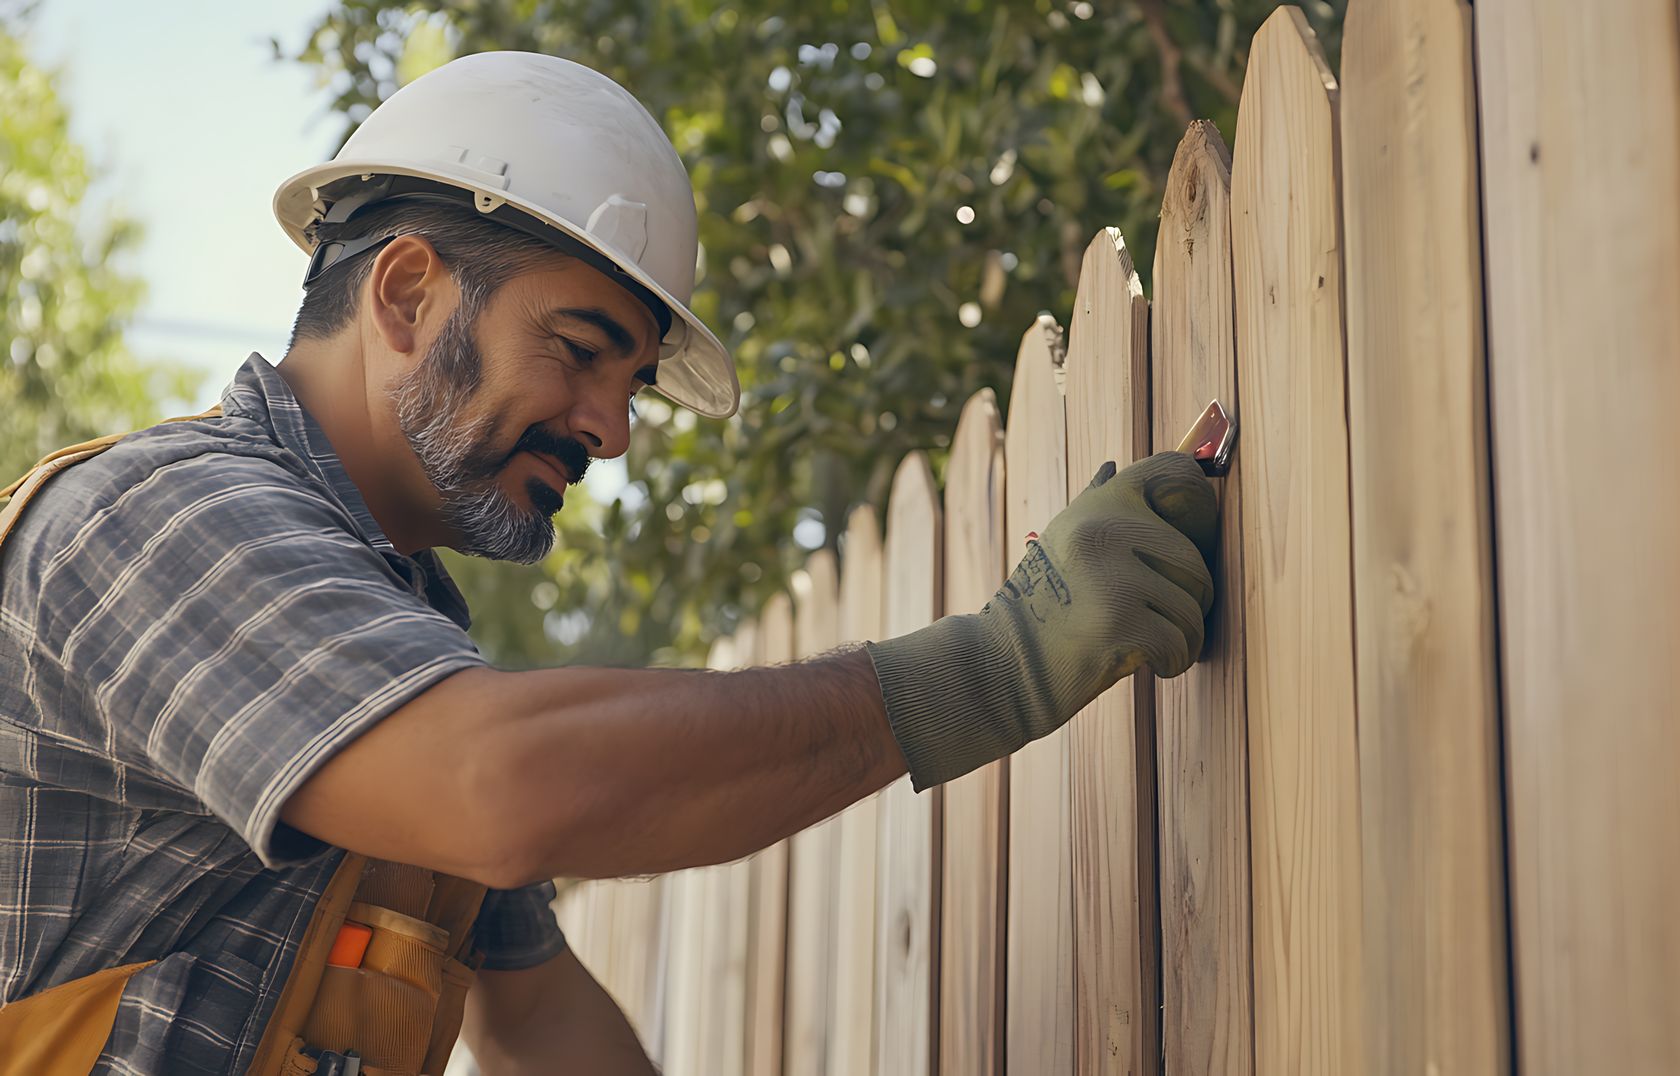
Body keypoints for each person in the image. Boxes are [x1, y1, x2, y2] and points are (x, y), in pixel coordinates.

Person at [0, 51, 1217, 1074]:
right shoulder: (153, 521)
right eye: (580, 351)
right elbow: (502, 789)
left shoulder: (394, 634)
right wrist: (992, 668)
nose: (612, 428)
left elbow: (536, 1014)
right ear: (410, 292)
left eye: (631, 383)